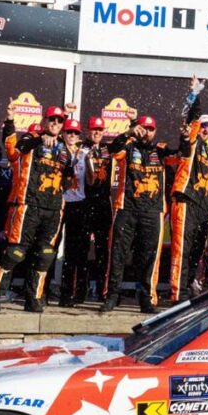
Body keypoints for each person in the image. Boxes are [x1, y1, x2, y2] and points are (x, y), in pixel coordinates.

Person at [0, 103, 73, 313]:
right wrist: (33, 135)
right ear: (45, 121)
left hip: (53, 209)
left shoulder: (64, 149)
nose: (55, 123)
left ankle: (33, 298)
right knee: (15, 252)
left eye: (59, 120)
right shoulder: (30, 139)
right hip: (28, 205)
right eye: (51, 119)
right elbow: (12, 151)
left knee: (45, 255)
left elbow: (69, 177)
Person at [104, 114, 177, 313]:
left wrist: (187, 138)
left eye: (151, 129)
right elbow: (110, 150)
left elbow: (181, 154)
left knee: (149, 257)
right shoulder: (128, 146)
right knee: (118, 253)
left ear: (155, 132)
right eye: (144, 128)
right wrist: (128, 132)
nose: (147, 132)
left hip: (152, 211)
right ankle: (112, 296)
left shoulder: (161, 150)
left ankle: (146, 299)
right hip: (126, 207)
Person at [169, 77, 208, 302]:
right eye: (204, 126)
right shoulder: (193, 142)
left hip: (202, 206)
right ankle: (176, 296)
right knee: (182, 249)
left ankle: (187, 291)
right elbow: (193, 119)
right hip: (185, 199)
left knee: (196, 253)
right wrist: (196, 92)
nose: (206, 129)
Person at [82, 116, 119, 302]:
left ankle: (102, 291)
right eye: (94, 129)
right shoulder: (80, 146)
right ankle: (78, 290)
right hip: (83, 202)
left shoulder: (108, 148)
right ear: (88, 130)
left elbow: (123, 142)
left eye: (100, 130)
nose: (97, 132)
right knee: (80, 248)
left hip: (103, 202)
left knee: (103, 249)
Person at [58, 115, 88, 307]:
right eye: (69, 131)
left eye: (75, 133)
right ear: (63, 134)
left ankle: (75, 293)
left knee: (75, 251)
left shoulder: (85, 154)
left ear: (79, 136)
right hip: (59, 203)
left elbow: (92, 180)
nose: (72, 135)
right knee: (50, 247)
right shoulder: (56, 151)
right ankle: (42, 291)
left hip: (79, 204)